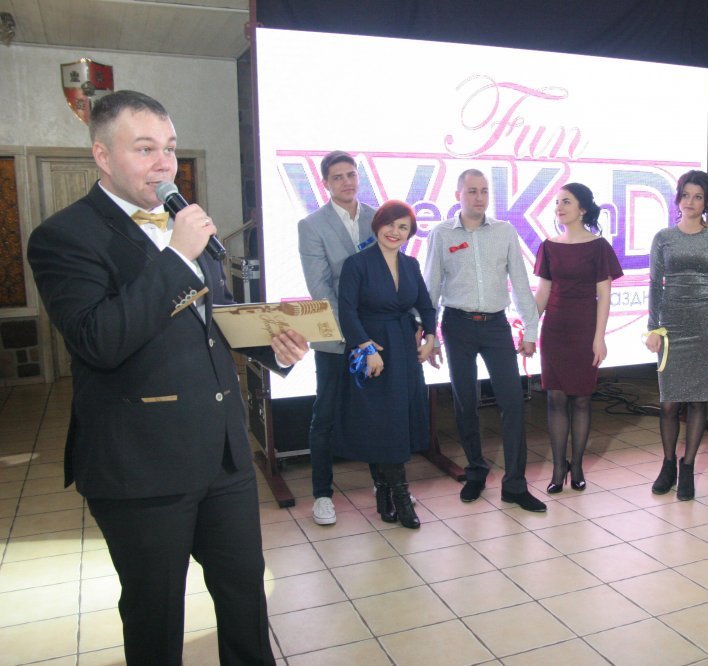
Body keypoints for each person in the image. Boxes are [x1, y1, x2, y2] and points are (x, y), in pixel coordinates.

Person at [26, 90, 308, 666]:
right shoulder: (64, 236)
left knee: (243, 594)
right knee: (155, 613)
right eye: (145, 149)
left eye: (171, 148)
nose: (164, 164)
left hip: (223, 453)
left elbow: (211, 320)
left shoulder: (186, 226)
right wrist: (177, 257)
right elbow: (98, 340)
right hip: (141, 464)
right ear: (103, 156)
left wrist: (271, 345)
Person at [424, 169, 546, 512]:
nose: (479, 197)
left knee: (513, 402)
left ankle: (515, 484)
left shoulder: (504, 231)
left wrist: (531, 331)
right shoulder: (441, 233)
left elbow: (520, 284)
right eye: (472, 191)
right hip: (457, 326)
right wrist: (431, 336)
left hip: (495, 326)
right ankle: (475, 471)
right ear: (458, 195)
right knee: (465, 402)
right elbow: (431, 287)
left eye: (484, 191)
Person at [338, 201, 436, 529]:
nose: (395, 232)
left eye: (403, 227)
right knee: (380, 423)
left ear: (410, 233)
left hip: (403, 350)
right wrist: (367, 347)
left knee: (397, 421)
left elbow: (426, 306)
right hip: (372, 351)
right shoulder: (357, 264)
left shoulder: (410, 264)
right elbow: (347, 311)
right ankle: (401, 498)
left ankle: (383, 493)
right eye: (390, 224)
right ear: (378, 225)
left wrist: (431, 338)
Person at [298, 150, 377, 526]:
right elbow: (320, 288)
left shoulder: (379, 218)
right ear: (325, 183)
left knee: (377, 412)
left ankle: (385, 484)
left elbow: (391, 276)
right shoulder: (311, 225)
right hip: (334, 336)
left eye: (351, 174)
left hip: (376, 337)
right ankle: (322, 496)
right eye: (338, 177)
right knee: (325, 416)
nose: (347, 182)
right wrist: (355, 333)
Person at [534, 183, 624, 492]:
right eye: (557, 202)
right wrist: (528, 328)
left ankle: (578, 465)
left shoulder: (598, 247)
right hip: (554, 330)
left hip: (585, 328)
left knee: (582, 399)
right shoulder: (549, 245)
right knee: (555, 398)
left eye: (566, 202)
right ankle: (559, 467)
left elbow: (604, 295)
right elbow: (543, 292)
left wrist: (600, 337)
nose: (559, 207)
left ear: (582, 209)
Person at [645, 170, 708, 500]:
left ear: (707, 202)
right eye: (686, 195)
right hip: (672, 326)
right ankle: (668, 464)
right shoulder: (663, 237)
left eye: (698, 196)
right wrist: (653, 328)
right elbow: (654, 285)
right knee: (668, 404)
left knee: (697, 400)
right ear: (678, 198)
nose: (690, 202)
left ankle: (688, 466)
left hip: (706, 324)